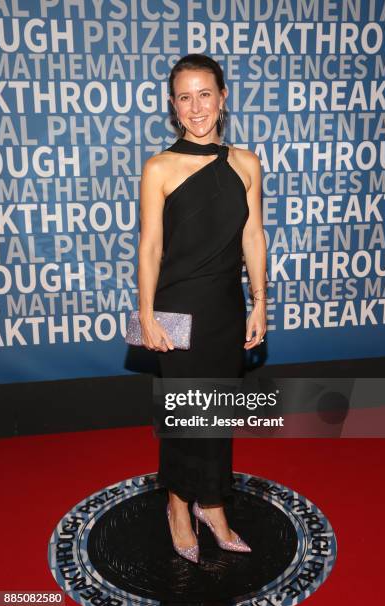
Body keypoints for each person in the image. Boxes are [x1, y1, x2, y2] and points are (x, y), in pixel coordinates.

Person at [137, 54, 267, 563]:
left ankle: (211, 505)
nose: (196, 107)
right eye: (184, 97)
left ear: (223, 97)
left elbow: (253, 236)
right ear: (173, 106)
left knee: (217, 414)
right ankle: (177, 505)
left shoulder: (246, 162)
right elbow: (150, 246)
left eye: (205, 93)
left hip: (225, 308)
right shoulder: (160, 167)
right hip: (176, 311)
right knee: (184, 415)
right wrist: (146, 313)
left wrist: (260, 302)